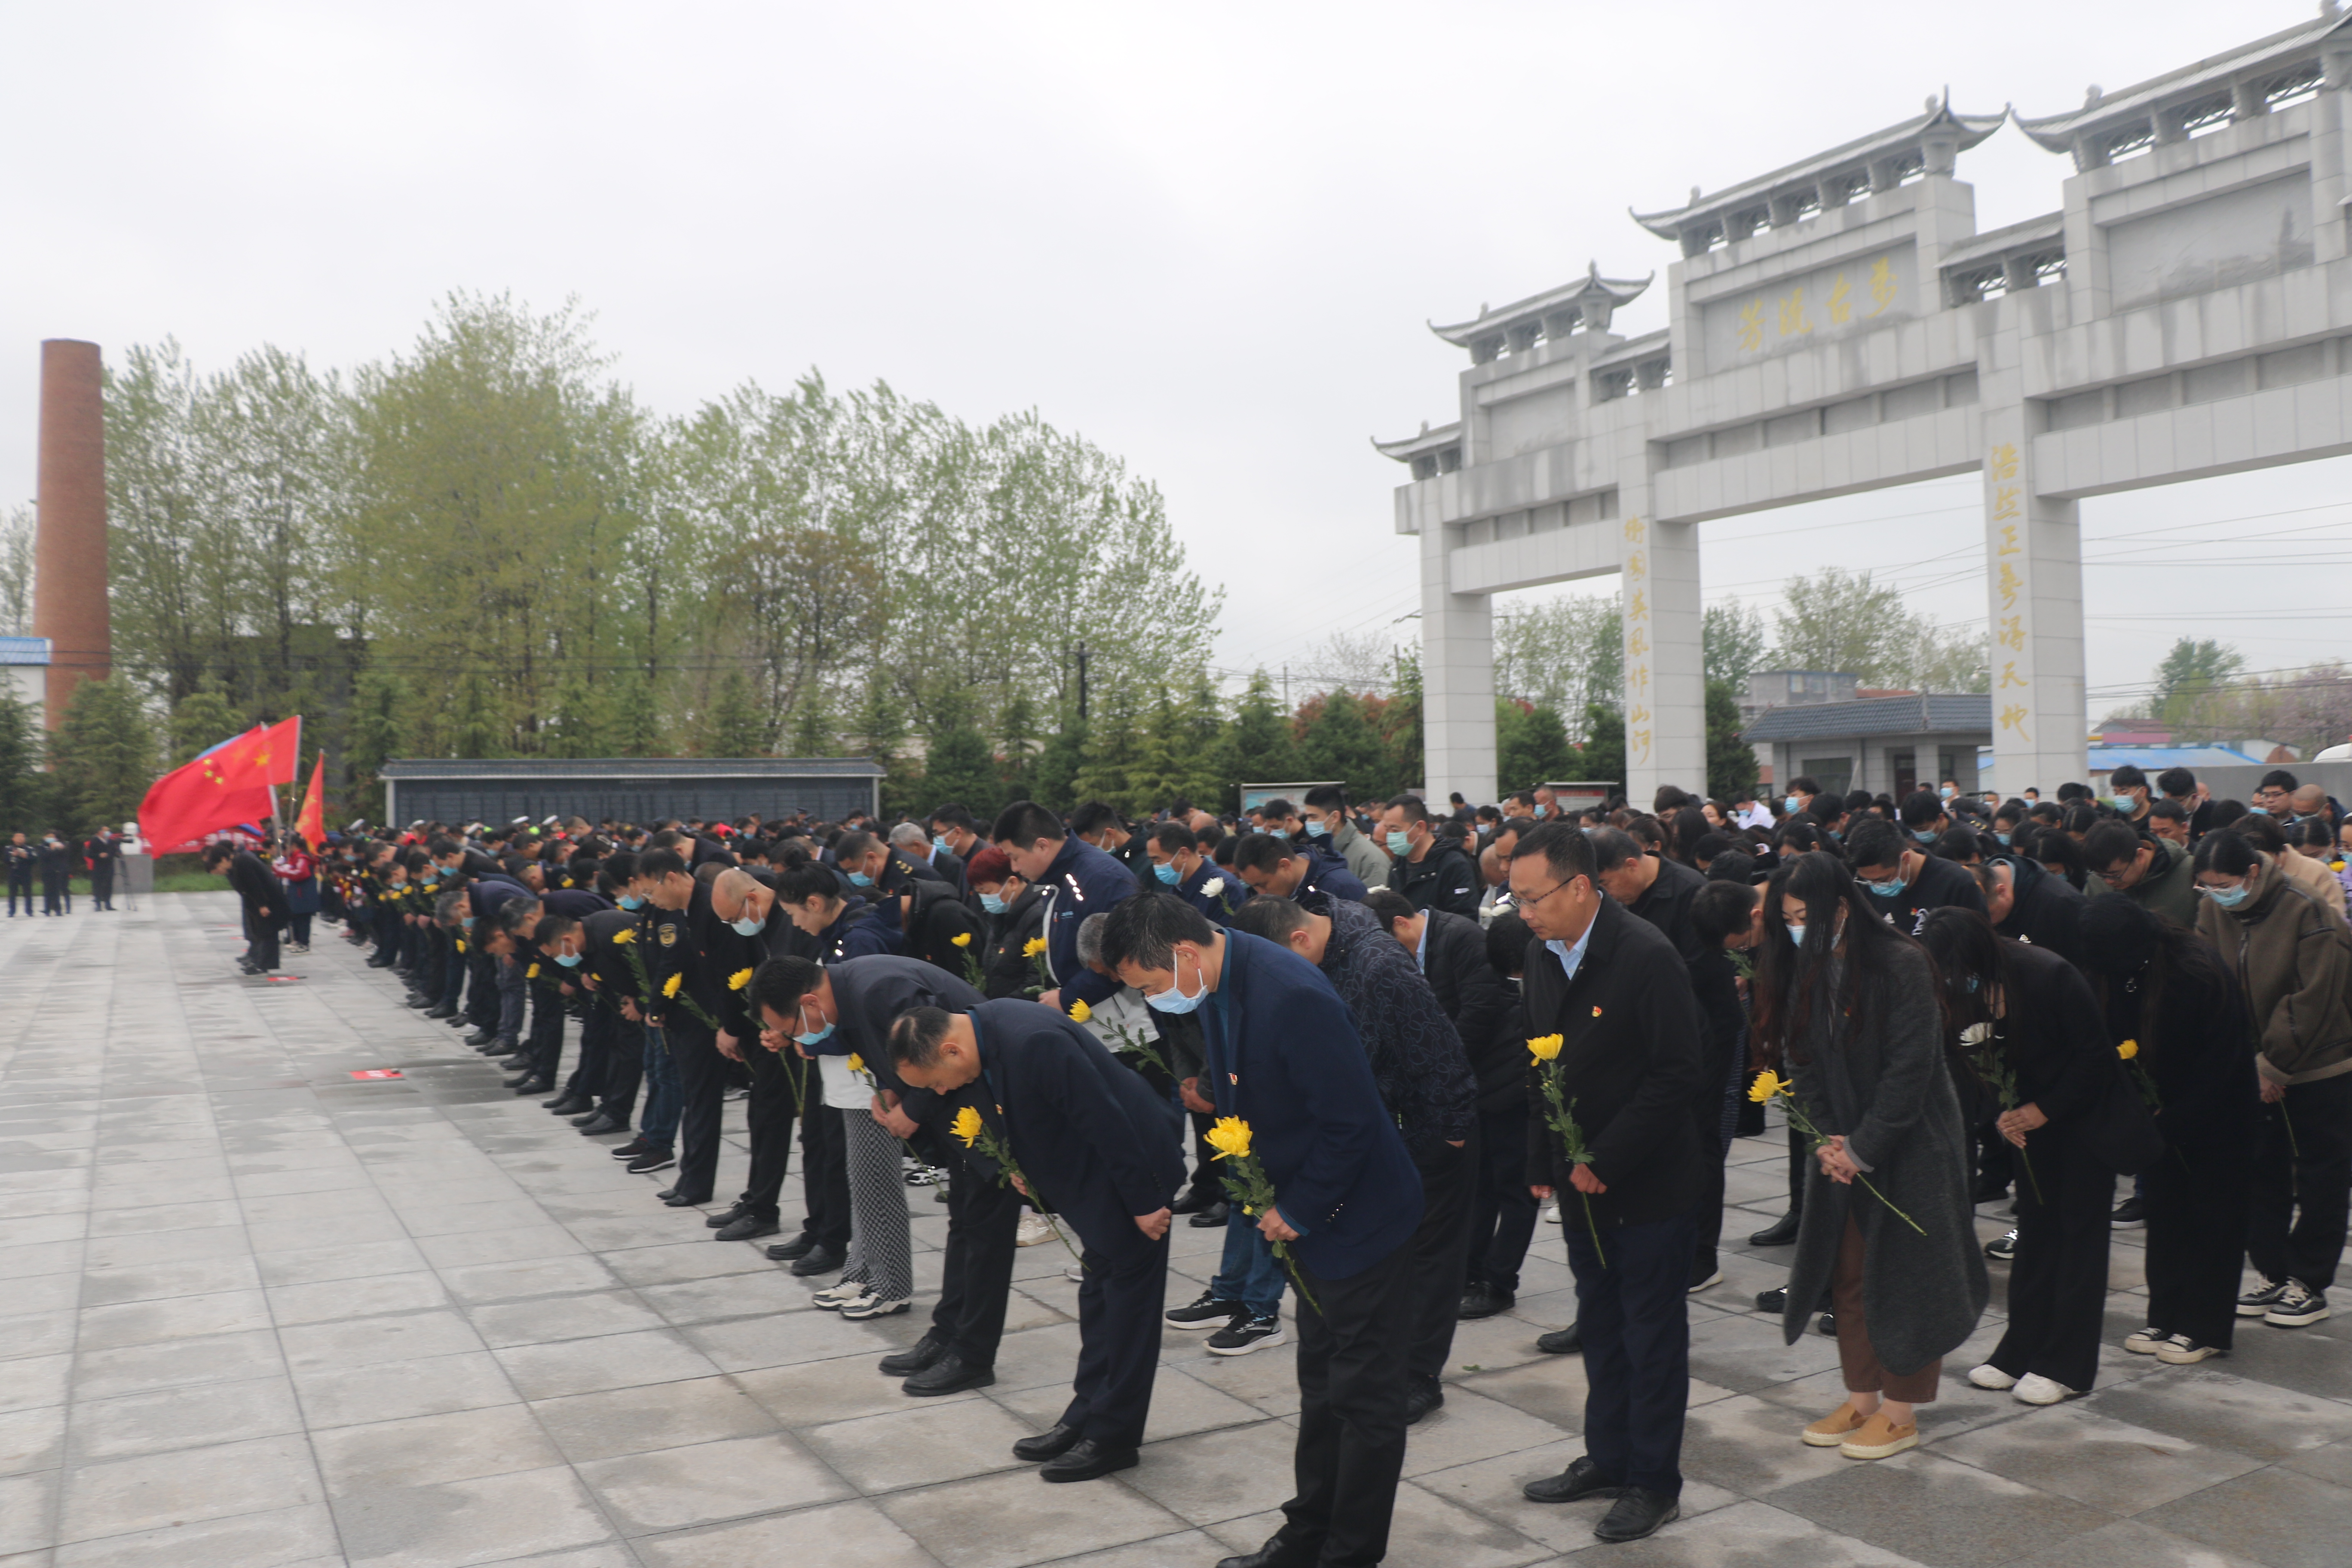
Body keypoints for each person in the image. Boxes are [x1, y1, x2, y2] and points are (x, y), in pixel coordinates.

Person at [1104, 892, 1423, 1568]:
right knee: (1322, 1387)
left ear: (1184, 954)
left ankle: (1350, 1553)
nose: (1154, 1000)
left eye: (1151, 986)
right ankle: (1306, 1535)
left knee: (1364, 1400)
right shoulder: (1221, 979)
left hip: (1358, 1219)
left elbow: (1351, 1123)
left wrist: (1298, 1210)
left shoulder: (1289, 994)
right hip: (1305, 1219)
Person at [1752, 852, 1988, 1462]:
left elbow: (1911, 1068)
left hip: (1912, 1145)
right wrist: (1826, 1139)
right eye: (1788, 919)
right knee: (1848, 1274)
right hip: (1842, 1147)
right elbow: (1798, 1056)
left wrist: (1863, 1147)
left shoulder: (1900, 962)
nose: (1796, 929)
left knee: (1906, 1278)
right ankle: (1861, 1399)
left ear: (1840, 908)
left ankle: (1900, 1413)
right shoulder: (1806, 965)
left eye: (1804, 917)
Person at [1508, 822, 1706, 1544]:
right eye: (1515, 898)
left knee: (1650, 1336)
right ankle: (1609, 1456)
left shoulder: (1645, 954)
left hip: (1646, 1183)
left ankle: (1653, 1481)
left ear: (1580, 886)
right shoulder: (1541, 953)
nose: (1524, 912)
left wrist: (1606, 1156)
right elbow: (1540, 1064)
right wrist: (1541, 1162)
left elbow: (1678, 1072)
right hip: (1579, 1182)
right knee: (1599, 1323)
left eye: (1533, 898)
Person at [889, 998, 1183, 1479]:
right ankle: (1085, 1416)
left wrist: (1145, 1201)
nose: (942, 1092)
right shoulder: (987, 1032)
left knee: (1128, 1311)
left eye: (936, 1082)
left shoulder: (1032, 1041)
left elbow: (1105, 1120)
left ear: (950, 1050)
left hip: (1132, 1176)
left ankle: (1113, 1437)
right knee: (1099, 1299)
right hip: (1096, 1180)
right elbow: (1025, 1110)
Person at [1229, 893, 1477, 1420]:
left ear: (1300, 938)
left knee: (1430, 1265)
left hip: (1425, 1139)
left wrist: (1449, 1138)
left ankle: (1419, 1375)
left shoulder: (1379, 964)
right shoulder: (1321, 958)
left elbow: (1442, 1053)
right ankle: (1385, 1369)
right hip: (1375, 1141)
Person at [1921, 909, 2115, 1403]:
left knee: (2078, 1242)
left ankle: (2067, 1365)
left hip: (2083, 1121)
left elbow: (2096, 1055)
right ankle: (2020, 1350)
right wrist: (2003, 1114)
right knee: (2036, 1237)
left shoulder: (2048, 973)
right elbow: (1966, 1059)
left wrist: (2045, 1109)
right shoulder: (1960, 990)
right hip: (2027, 1125)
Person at [2079, 896, 2257, 1362]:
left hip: (2218, 1116)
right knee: (2165, 1215)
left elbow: (2222, 1064)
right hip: (2156, 1115)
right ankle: (2165, 1315)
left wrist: (2175, 1118)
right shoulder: (2112, 970)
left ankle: (2205, 1327)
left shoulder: (2197, 971)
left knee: (2213, 1220)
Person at [2194, 828, 2352, 1329]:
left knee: (2321, 1175)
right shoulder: (2212, 911)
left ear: (2252, 872)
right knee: (2261, 1172)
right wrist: (2241, 1060)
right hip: (2251, 1063)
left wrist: (2273, 1064)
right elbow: (2208, 982)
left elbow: (2313, 996)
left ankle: (2310, 1280)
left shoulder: (2306, 908)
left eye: (2224, 885)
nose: (2216, 894)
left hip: (2318, 1063)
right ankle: (2271, 1271)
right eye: (2207, 885)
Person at [2081, 821, 2198, 927]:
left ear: (2140, 856)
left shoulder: (2191, 873)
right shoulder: (2096, 881)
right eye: (2101, 876)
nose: (2109, 881)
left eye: (2115, 875)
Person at [1378, 794, 1479, 918]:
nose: (1390, 836)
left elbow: (1465, 919)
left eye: (1395, 831)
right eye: (1387, 830)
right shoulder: (1399, 864)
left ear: (1421, 827)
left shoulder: (1453, 865)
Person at [204, 840, 281, 972]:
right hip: (260, 900)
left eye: (219, 867)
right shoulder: (239, 861)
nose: (221, 870)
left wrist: (262, 904)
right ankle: (260, 962)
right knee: (261, 931)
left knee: (265, 932)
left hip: (267, 899)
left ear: (224, 858)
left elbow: (255, 884)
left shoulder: (243, 861)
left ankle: (262, 965)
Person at [1304, 784, 1390, 890]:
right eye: (1307, 817)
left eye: (1314, 817)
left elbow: (1377, 900)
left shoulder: (1370, 859)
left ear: (1335, 817)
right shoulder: (1317, 851)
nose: (1308, 822)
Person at [273, 834, 319, 953]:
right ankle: (298, 941)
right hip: (298, 894)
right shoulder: (294, 857)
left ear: (293, 845)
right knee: (296, 918)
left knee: (303, 920)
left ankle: (304, 943)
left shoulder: (302, 858)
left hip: (303, 894)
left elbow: (301, 873)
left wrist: (284, 871)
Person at [83, 827, 119, 911]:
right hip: (98, 866)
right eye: (105, 831)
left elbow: (114, 852)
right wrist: (99, 855)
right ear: (100, 832)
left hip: (109, 865)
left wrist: (109, 855)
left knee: (108, 885)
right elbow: (89, 854)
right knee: (98, 885)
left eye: (108, 831)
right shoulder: (94, 841)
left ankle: (108, 903)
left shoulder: (111, 841)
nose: (107, 833)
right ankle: (98, 904)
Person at [3, 832, 31, 916]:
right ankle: (12, 911)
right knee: (12, 893)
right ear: (13, 839)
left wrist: (26, 857)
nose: (20, 839)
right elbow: (6, 860)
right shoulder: (8, 849)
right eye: (18, 837)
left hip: (26, 874)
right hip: (13, 873)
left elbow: (34, 860)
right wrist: (13, 856)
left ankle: (29, 911)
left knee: (28, 893)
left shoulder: (29, 849)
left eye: (22, 837)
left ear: (25, 839)